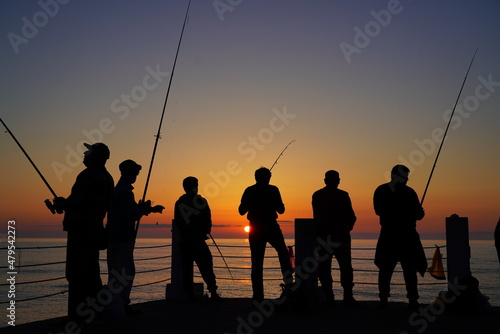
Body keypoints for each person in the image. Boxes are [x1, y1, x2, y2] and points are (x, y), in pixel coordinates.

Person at [52, 143, 114, 325]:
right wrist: (66, 203)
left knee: (76, 272)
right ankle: (93, 312)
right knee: (91, 271)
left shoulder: (88, 175)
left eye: (89, 152)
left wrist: (63, 204)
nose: (85, 154)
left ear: (97, 156)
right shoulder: (107, 178)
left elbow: (79, 201)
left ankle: (77, 317)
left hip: (81, 231)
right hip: (94, 230)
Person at [106, 159, 164, 316]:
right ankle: (119, 306)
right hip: (121, 238)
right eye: (135, 173)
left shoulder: (119, 190)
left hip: (118, 237)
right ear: (127, 173)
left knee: (121, 272)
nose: (136, 176)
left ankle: (119, 305)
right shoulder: (124, 191)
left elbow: (129, 211)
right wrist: (145, 209)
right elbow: (129, 215)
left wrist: (145, 209)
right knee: (123, 272)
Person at [373, 164, 427, 311]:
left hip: (388, 236)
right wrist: (416, 212)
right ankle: (412, 301)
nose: (407, 180)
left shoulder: (381, 190)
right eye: (405, 177)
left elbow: (378, 210)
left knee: (386, 270)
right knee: (408, 271)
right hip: (406, 237)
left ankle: (384, 300)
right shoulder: (409, 192)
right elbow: (419, 215)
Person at [238, 167, 293, 301]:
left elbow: (241, 211)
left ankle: (258, 296)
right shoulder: (273, 190)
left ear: (255, 177)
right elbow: (281, 210)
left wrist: (251, 203)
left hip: (255, 228)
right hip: (271, 226)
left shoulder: (250, 190)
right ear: (269, 177)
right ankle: (289, 287)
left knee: (257, 262)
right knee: (283, 254)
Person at [312, 170, 357, 306]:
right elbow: (352, 216)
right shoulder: (343, 195)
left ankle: (329, 297)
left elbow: (317, 218)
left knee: (324, 269)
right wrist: (347, 228)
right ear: (338, 181)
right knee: (346, 268)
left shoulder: (318, 195)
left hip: (323, 239)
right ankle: (348, 297)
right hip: (341, 238)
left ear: (325, 181)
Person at [174, 176, 222, 301]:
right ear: (195, 186)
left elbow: (178, 222)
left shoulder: (179, 202)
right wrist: (205, 230)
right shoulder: (201, 201)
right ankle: (213, 293)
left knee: (186, 268)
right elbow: (208, 220)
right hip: (198, 240)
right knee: (206, 266)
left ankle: (189, 294)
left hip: (185, 241)